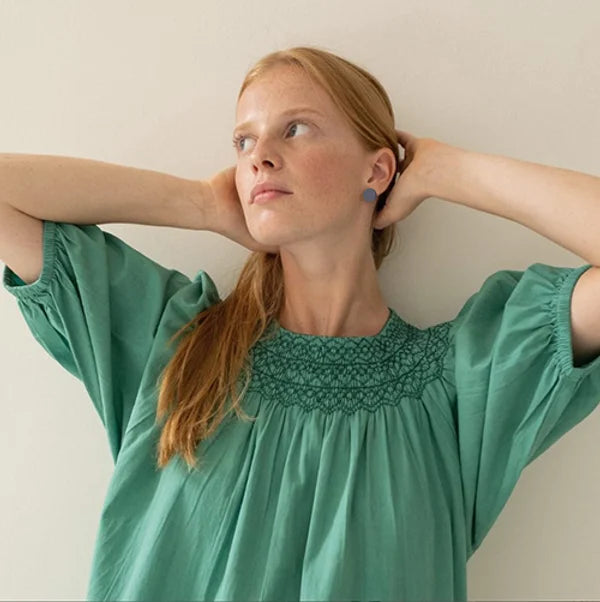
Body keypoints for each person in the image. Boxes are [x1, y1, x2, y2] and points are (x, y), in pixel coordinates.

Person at [2, 45, 600, 602]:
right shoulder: (176, 343)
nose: (258, 155)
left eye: (295, 128)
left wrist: (445, 171)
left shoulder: (459, 387)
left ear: (377, 171)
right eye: (242, 141)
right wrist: (199, 204)